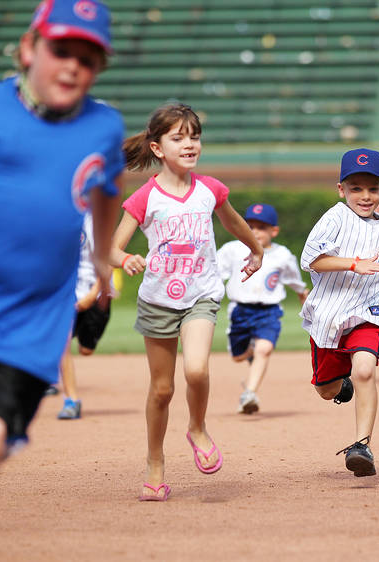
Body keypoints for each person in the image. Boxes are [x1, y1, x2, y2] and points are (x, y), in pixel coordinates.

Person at [0, 1, 122, 560]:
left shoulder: (103, 124)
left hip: (27, 319)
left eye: (89, 59)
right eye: (62, 50)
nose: (73, 67)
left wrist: (106, 255)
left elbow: (106, 190)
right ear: (27, 48)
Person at [110, 103, 263, 501]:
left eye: (194, 136)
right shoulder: (145, 197)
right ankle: (155, 463)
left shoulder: (210, 189)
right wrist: (125, 259)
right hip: (158, 301)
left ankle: (197, 427)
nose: (190, 144)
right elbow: (111, 248)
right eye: (178, 138)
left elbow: (231, 220)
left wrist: (254, 248)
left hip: (202, 294)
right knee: (161, 390)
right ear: (158, 147)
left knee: (196, 370)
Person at [300, 148, 379, 477]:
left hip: (367, 311)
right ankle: (340, 387)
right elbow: (311, 259)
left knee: (365, 371)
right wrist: (354, 264)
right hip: (328, 315)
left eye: (373, 188)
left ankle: (361, 445)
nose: (365, 195)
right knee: (326, 389)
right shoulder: (334, 218)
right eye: (356, 187)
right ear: (341, 189)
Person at [217, 203, 309, 414]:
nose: (255, 232)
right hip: (240, 311)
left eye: (261, 227)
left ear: (274, 231)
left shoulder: (282, 254)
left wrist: (302, 293)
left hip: (269, 311)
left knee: (264, 349)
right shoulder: (232, 250)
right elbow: (215, 275)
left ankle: (248, 394)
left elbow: (294, 279)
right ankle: (249, 353)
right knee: (238, 356)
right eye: (250, 226)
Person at [57, 213, 114, 420]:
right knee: (61, 344)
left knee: (86, 350)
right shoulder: (55, 215)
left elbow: (108, 257)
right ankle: (71, 401)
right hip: (66, 292)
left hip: (95, 292)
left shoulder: (95, 217)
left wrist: (93, 294)